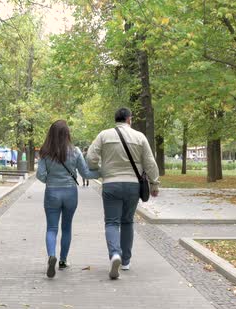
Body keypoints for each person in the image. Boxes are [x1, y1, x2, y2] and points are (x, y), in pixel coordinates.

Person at [86, 107, 160, 280]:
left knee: (111, 222)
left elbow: (91, 157)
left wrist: (97, 170)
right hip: (133, 186)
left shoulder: (104, 135)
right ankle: (126, 261)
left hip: (111, 184)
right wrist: (155, 183)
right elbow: (149, 162)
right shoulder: (140, 137)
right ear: (129, 119)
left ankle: (114, 254)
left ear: (116, 119)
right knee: (127, 222)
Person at [36, 120, 100, 278]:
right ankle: (63, 260)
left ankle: (52, 255)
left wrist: (50, 181)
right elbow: (85, 174)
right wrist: (103, 172)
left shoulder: (45, 151)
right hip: (70, 192)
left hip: (52, 192)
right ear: (67, 134)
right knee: (67, 227)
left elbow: (40, 175)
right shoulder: (75, 151)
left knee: (51, 228)